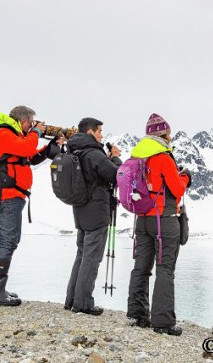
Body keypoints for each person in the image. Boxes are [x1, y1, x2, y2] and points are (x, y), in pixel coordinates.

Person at [0, 105, 60, 306]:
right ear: (23, 121)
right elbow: (27, 148)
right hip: (5, 195)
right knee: (7, 242)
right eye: (31, 123)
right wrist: (37, 132)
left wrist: (52, 145)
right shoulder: (3, 133)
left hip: (11, 195)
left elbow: (29, 157)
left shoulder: (14, 137)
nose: (32, 127)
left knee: (10, 241)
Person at [127, 113, 191, 336]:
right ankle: (163, 322)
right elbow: (177, 189)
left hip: (142, 220)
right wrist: (185, 178)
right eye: (168, 133)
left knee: (141, 267)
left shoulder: (137, 156)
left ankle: (137, 315)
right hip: (163, 220)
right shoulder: (163, 157)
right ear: (164, 134)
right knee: (165, 270)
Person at [64, 117, 122, 315]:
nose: (101, 135)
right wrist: (114, 158)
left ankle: (71, 299)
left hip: (80, 210)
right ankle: (84, 303)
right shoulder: (94, 154)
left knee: (81, 255)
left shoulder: (75, 150)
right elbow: (115, 175)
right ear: (90, 132)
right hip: (96, 212)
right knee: (92, 257)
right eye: (99, 132)